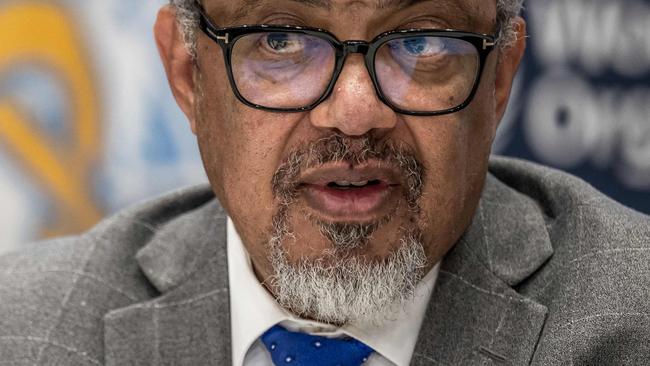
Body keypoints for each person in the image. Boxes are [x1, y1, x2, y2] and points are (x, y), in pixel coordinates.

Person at [1, 0, 649, 365]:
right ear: (187, 74)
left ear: (500, 78)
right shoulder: (25, 329)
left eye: (422, 43)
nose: (354, 110)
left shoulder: (629, 317)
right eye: (280, 39)